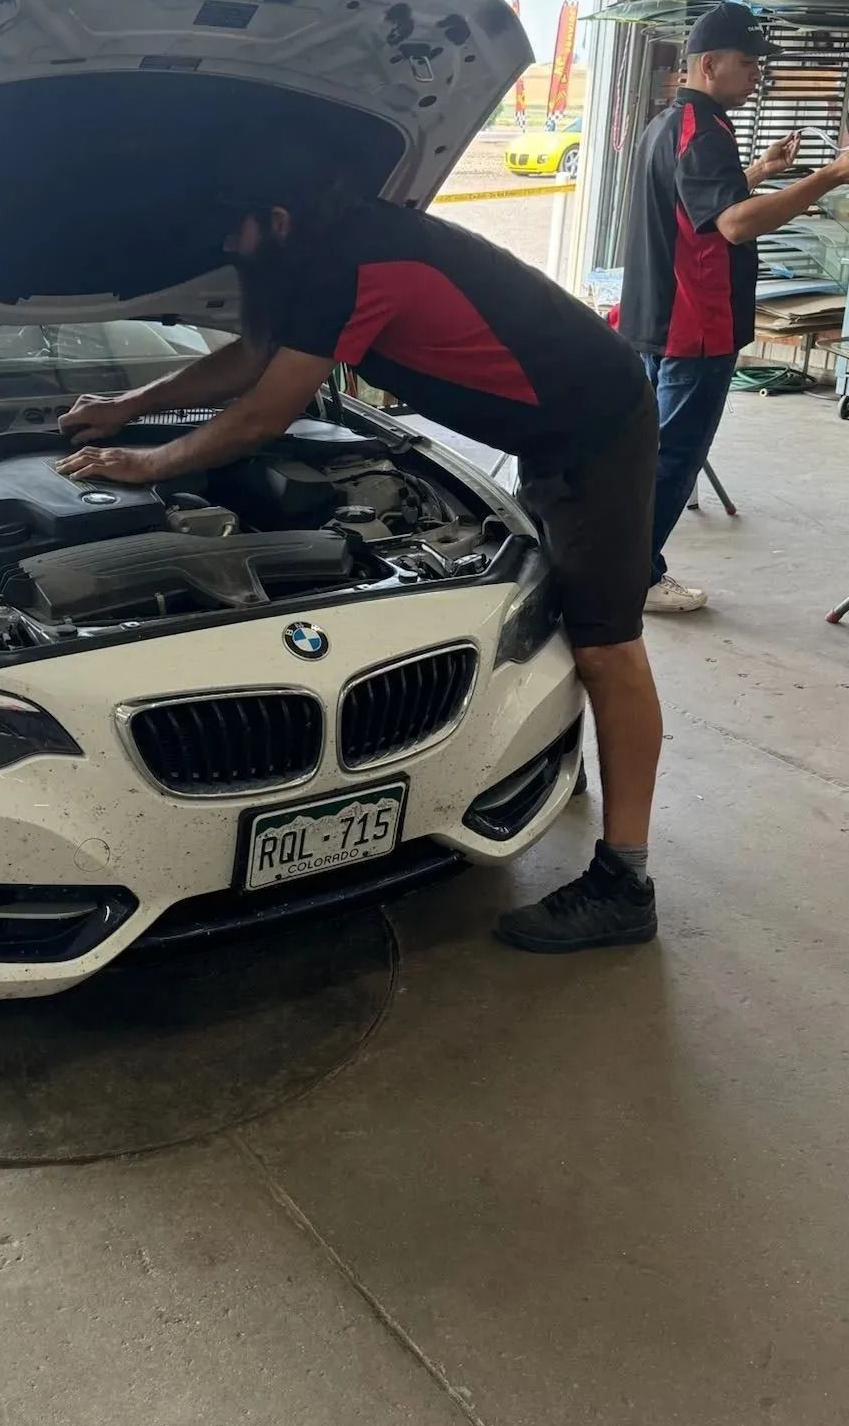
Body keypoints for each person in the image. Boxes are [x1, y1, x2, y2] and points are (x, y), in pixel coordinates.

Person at [57, 188, 663, 954]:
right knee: (565, 608)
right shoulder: (305, 241)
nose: (230, 254)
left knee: (606, 647)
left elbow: (262, 414)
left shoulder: (355, 260)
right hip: (545, 430)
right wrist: (127, 402)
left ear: (278, 216)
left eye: (234, 239)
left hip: (594, 426)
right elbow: (252, 357)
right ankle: (555, 766)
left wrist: (145, 464)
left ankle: (625, 883)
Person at [618, 2, 849, 612]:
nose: (756, 77)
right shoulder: (705, 129)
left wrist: (762, 170)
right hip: (695, 324)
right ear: (709, 64)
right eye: (747, 65)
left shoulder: (671, 125)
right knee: (673, 459)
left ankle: (615, 570)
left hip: (658, 318)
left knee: (647, 454)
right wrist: (830, 176)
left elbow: (699, 207)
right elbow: (735, 226)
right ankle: (631, 581)